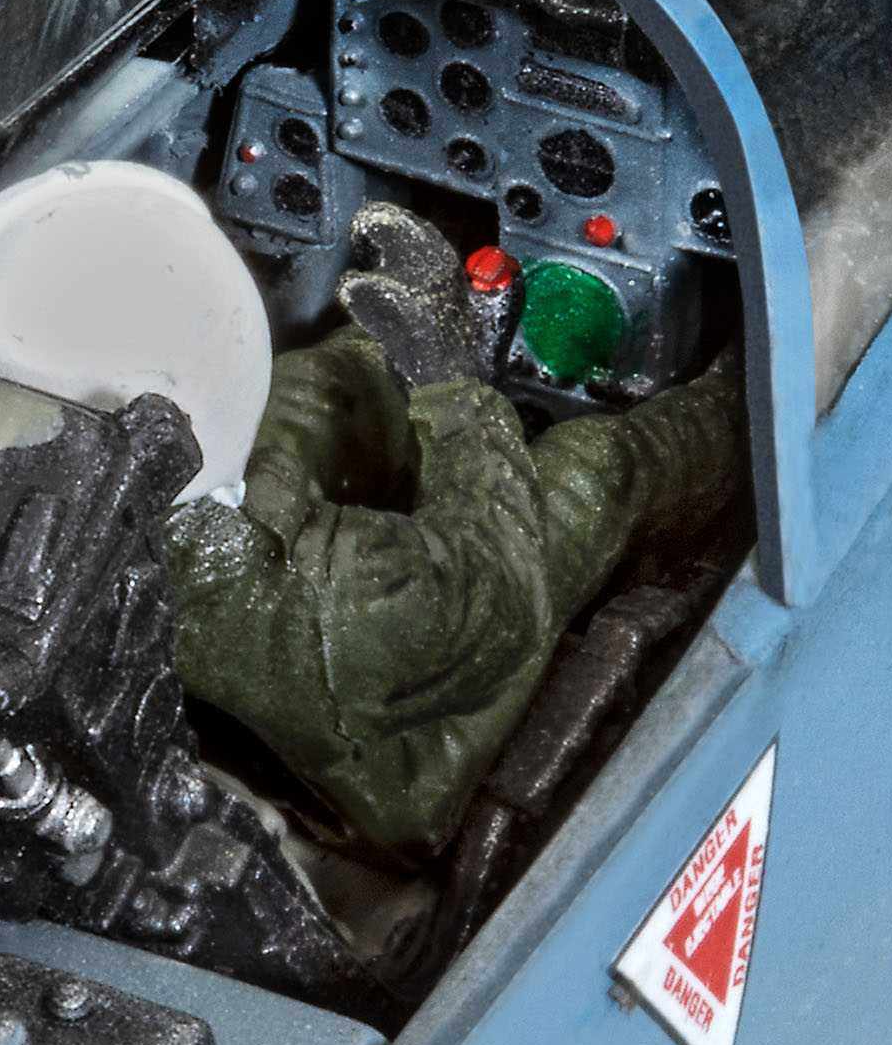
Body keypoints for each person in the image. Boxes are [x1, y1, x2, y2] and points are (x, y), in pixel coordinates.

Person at [162, 203, 748, 861]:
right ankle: (746, 405)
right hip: (402, 764)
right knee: (594, 469)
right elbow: (492, 587)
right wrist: (456, 391)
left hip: (227, 576)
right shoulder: (330, 605)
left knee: (326, 389)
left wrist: (398, 353)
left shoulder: (122, 482)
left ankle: (403, 351)